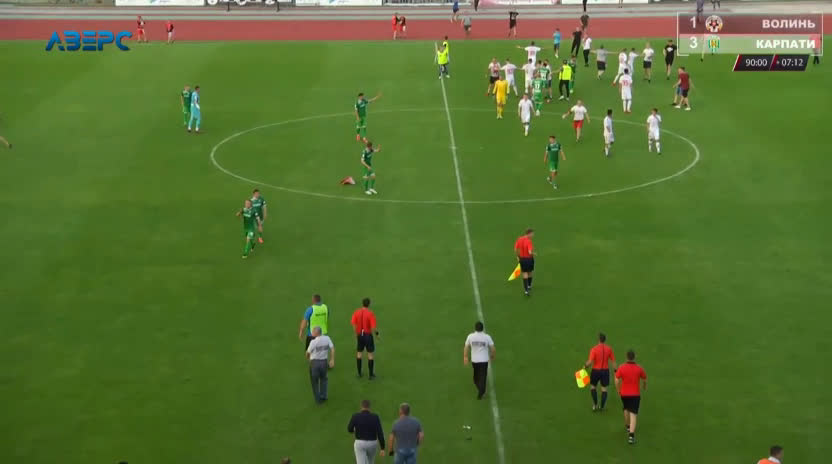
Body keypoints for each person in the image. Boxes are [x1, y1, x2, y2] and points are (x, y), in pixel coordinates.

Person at [615, 349, 647, 444]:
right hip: (635, 395)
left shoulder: (622, 367)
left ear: (626, 357)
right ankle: (631, 436)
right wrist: (644, 386)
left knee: (626, 409)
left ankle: (627, 426)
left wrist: (618, 390)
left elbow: (616, 380)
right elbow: (644, 379)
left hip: (624, 394)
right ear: (634, 357)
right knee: (633, 414)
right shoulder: (639, 368)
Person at [584, 333, 617, 411]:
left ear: (598, 340)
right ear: (605, 340)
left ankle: (595, 405)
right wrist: (616, 370)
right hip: (605, 371)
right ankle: (602, 407)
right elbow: (613, 361)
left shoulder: (594, 349)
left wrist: (585, 367)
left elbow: (590, 362)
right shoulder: (609, 349)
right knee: (604, 389)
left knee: (593, 387)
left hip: (595, 371)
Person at [463, 321, 495, 398]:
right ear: (482, 328)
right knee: (482, 377)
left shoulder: (470, 336)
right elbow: (493, 348)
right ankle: (482, 390)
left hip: (475, 361)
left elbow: (466, 347)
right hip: (484, 360)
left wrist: (465, 357)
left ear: (475, 328)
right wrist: (492, 356)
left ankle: (481, 392)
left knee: (476, 378)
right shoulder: (487, 337)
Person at [348, 399, 386, 464]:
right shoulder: (375, 417)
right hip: (372, 443)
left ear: (361, 406)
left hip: (360, 443)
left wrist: (354, 430)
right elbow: (380, 433)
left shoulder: (355, 416)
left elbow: (349, 429)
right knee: (370, 462)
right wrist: (382, 448)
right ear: (369, 407)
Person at [306, 326, 335, 404]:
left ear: (316, 333)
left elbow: (307, 353)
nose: (312, 333)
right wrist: (332, 359)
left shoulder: (313, 342)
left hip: (315, 363)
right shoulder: (327, 338)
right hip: (324, 362)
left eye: (313, 332)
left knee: (314, 381)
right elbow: (332, 348)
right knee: (324, 379)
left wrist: (308, 359)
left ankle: (318, 399)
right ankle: (324, 396)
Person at [351, 298, 379, 379]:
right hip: (367, 336)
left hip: (360, 335)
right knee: (370, 354)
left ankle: (359, 373)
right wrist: (377, 334)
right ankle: (371, 375)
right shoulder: (370, 313)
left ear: (362, 303)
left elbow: (354, 324)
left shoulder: (357, 312)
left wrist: (356, 333)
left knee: (359, 353)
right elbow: (373, 327)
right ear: (369, 304)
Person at [514, 228, 534, 294]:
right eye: (532, 234)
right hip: (529, 259)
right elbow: (530, 252)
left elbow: (516, 249)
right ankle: (529, 285)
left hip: (522, 259)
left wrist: (518, 256)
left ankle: (526, 290)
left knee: (524, 273)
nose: (533, 235)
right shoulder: (529, 241)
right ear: (529, 233)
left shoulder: (519, 239)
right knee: (530, 272)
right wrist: (534, 253)